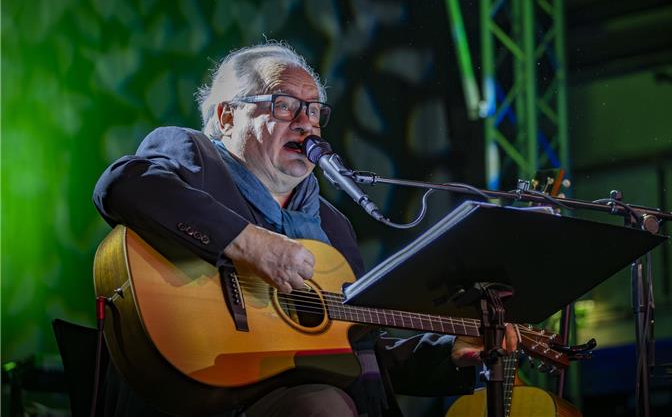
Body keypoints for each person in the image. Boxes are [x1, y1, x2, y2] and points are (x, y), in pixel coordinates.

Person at [93, 41, 516, 417]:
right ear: (226, 117)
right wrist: (249, 244)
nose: (305, 122)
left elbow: (359, 350)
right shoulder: (196, 158)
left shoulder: (333, 226)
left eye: (314, 110)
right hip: (201, 395)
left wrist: (449, 355)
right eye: (283, 104)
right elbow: (121, 186)